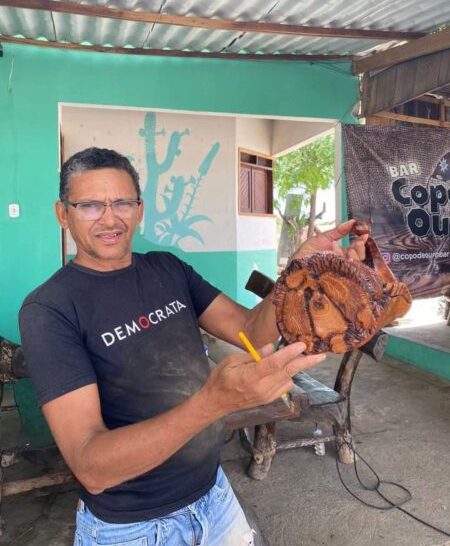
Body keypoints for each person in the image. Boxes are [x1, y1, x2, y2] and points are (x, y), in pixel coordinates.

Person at [19, 147, 367, 546]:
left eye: (122, 203)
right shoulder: (50, 309)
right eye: (90, 205)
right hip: (132, 526)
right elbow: (91, 467)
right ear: (63, 213)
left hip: (214, 496)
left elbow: (251, 331)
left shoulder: (167, 268)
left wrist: (298, 272)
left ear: (139, 209)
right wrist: (215, 402)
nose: (110, 218)